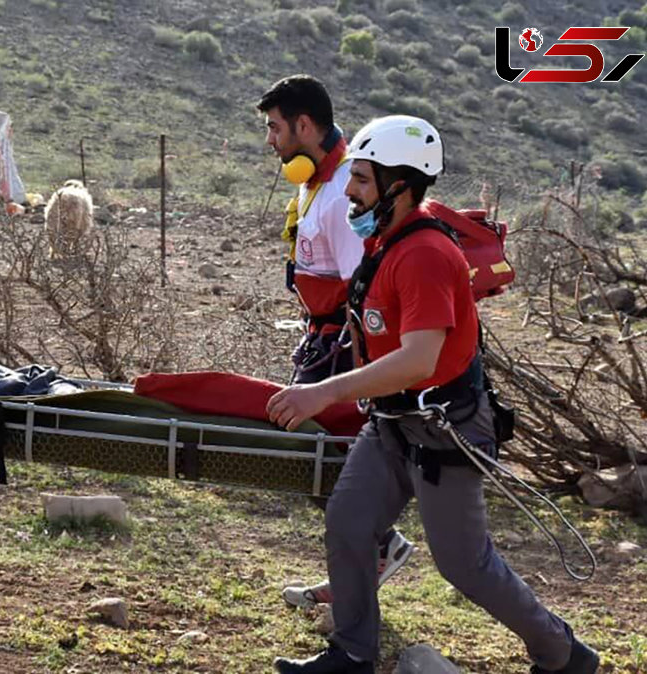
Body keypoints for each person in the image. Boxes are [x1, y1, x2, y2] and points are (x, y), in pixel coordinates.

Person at [267, 115, 599, 674]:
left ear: (402, 185)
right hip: (393, 423)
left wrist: (322, 393)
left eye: (363, 180)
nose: (349, 189)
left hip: (445, 430)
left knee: (464, 565)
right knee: (349, 523)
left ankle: (563, 654)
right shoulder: (384, 241)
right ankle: (352, 653)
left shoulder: (423, 254)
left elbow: (418, 360)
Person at [257, 75, 413, 609]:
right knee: (322, 462)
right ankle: (365, 561)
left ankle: (376, 552)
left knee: (323, 457)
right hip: (321, 338)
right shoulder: (313, 183)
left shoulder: (344, 187)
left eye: (276, 128)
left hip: (341, 344)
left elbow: (362, 284)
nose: (271, 140)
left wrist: (347, 365)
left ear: (305, 125)